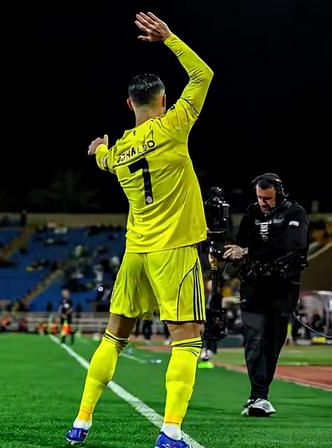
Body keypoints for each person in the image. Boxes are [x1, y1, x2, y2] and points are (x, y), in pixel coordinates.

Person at [66, 12, 213, 448]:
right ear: (164, 101)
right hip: (175, 250)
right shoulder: (173, 127)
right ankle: (169, 431)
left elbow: (102, 157)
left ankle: (81, 423)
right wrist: (168, 38)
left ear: (129, 104)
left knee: (114, 336)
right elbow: (203, 74)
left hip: (135, 252)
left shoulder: (120, 152)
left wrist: (98, 149)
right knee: (186, 340)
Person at [223, 173, 308, 417]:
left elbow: (292, 245)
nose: (263, 202)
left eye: (268, 198)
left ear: (279, 194)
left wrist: (248, 251)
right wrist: (237, 252)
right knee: (253, 339)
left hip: (283, 288)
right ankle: (258, 395)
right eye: (260, 197)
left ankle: (259, 394)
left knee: (273, 343)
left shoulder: (295, 212)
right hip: (253, 286)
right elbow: (241, 242)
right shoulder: (251, 213)